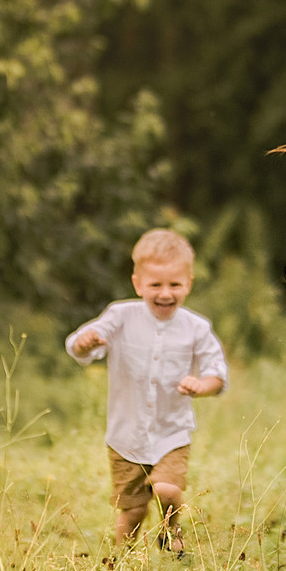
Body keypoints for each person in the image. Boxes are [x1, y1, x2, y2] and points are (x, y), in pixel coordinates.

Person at [67, 229, 229, 548]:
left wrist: (201, 385)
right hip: (126, 436)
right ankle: (122, 560)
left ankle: (170, 530)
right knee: (133, 510)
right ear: (138, 283)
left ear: (189, 283)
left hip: (172, 433)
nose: (165, 293)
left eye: (175, 284)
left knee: (168, 489)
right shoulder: (120, 316)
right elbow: (81, 345)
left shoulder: (196, 327)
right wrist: (85, 343)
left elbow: (217, 374)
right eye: (156, 284)